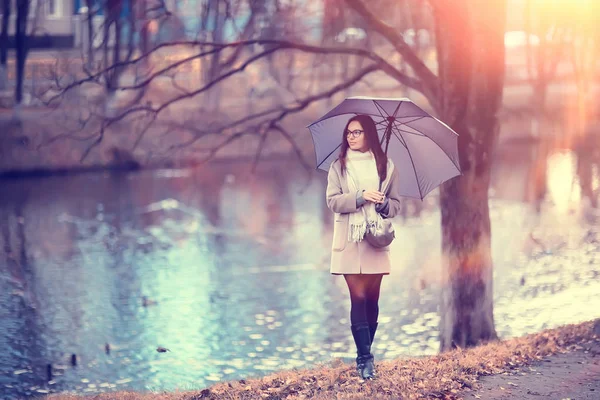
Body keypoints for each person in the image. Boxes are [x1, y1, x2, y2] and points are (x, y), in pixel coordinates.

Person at [325, 114, 401, 380]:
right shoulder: (339, 166)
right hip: (349, 238)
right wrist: (360, 196)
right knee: (357, 297)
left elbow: (396, 205)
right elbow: (333, 201)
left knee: (372, 299)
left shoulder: (386, 166)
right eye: (348, 133)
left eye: (357, 132)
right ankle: (364, 360)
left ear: (369, 134)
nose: (351, 137)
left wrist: (383, 205)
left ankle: (366, 352)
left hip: (375, 239)